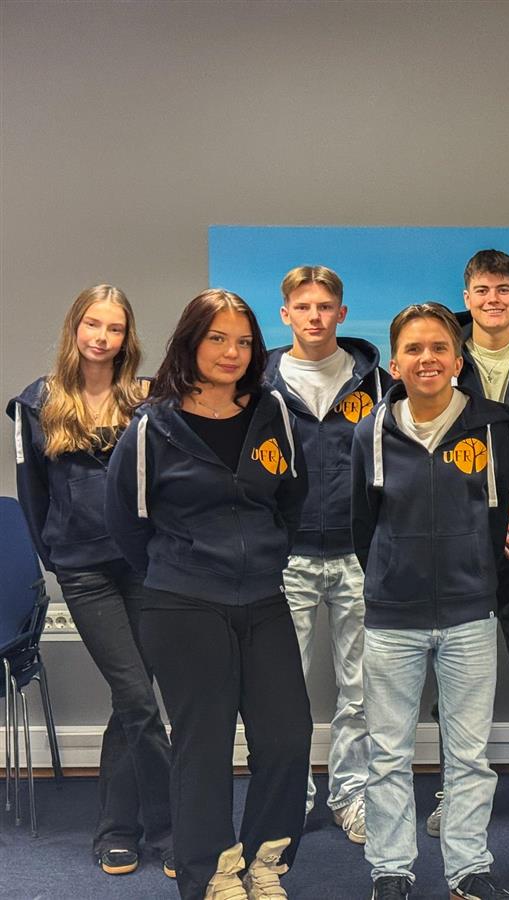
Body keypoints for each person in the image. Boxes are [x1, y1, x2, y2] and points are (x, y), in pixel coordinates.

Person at [106, 289, 311, 900]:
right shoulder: (153, 425)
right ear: (190, 342)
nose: (232, 352)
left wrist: (263, 558)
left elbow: (291, 502)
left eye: (244, 341)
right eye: (217, 338)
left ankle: (266, 861)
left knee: (288, 735)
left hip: (264, 599)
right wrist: (185, 569)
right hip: (183, 603)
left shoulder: (274, 413)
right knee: (205, 744)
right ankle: (211, 874)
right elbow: (126, 522)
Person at [351, 303, 509, 900]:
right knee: (388, 753)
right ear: (395, 363)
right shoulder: (370, 432)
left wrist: (479, 575)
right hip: (393, 616)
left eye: (439, 348)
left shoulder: (494, 426)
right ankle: (391, 869)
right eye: (414, 349)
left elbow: (502, 515)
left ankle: (468, 867)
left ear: (458, 359)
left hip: (470, 612)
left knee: (469, 755)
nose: (427, 359)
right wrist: (393, 574)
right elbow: (362, 525)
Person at [7, 285, 173, 878]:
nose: (102, 338)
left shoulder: (147, 400)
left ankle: (117, 829)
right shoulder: (38, 402)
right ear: (75, 327)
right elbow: (32, 494)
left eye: (115, 328)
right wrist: (57, 556)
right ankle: (172, 828)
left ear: (128, 338)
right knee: (138, 700)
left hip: (146, 566)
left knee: (130, 702)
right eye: (93, 324)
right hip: (86, 572)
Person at [266, 265, 388, 845]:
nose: (314, 317)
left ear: (341, 313)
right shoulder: (260, 383)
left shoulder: (376, 384)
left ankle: (352, 794)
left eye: (324, 307)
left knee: (360, 689)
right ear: (285, 314)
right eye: (303, 307)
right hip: (285, 557)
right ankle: (291, 795)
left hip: (356, 554)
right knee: (283, 688)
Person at [424, 249, 509, 837]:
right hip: (462, 539)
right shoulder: (441, 354)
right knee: (457, 682)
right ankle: (456, 789)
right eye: (482, 290)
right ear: (466, 297)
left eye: (503, 290)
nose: (493, 300)